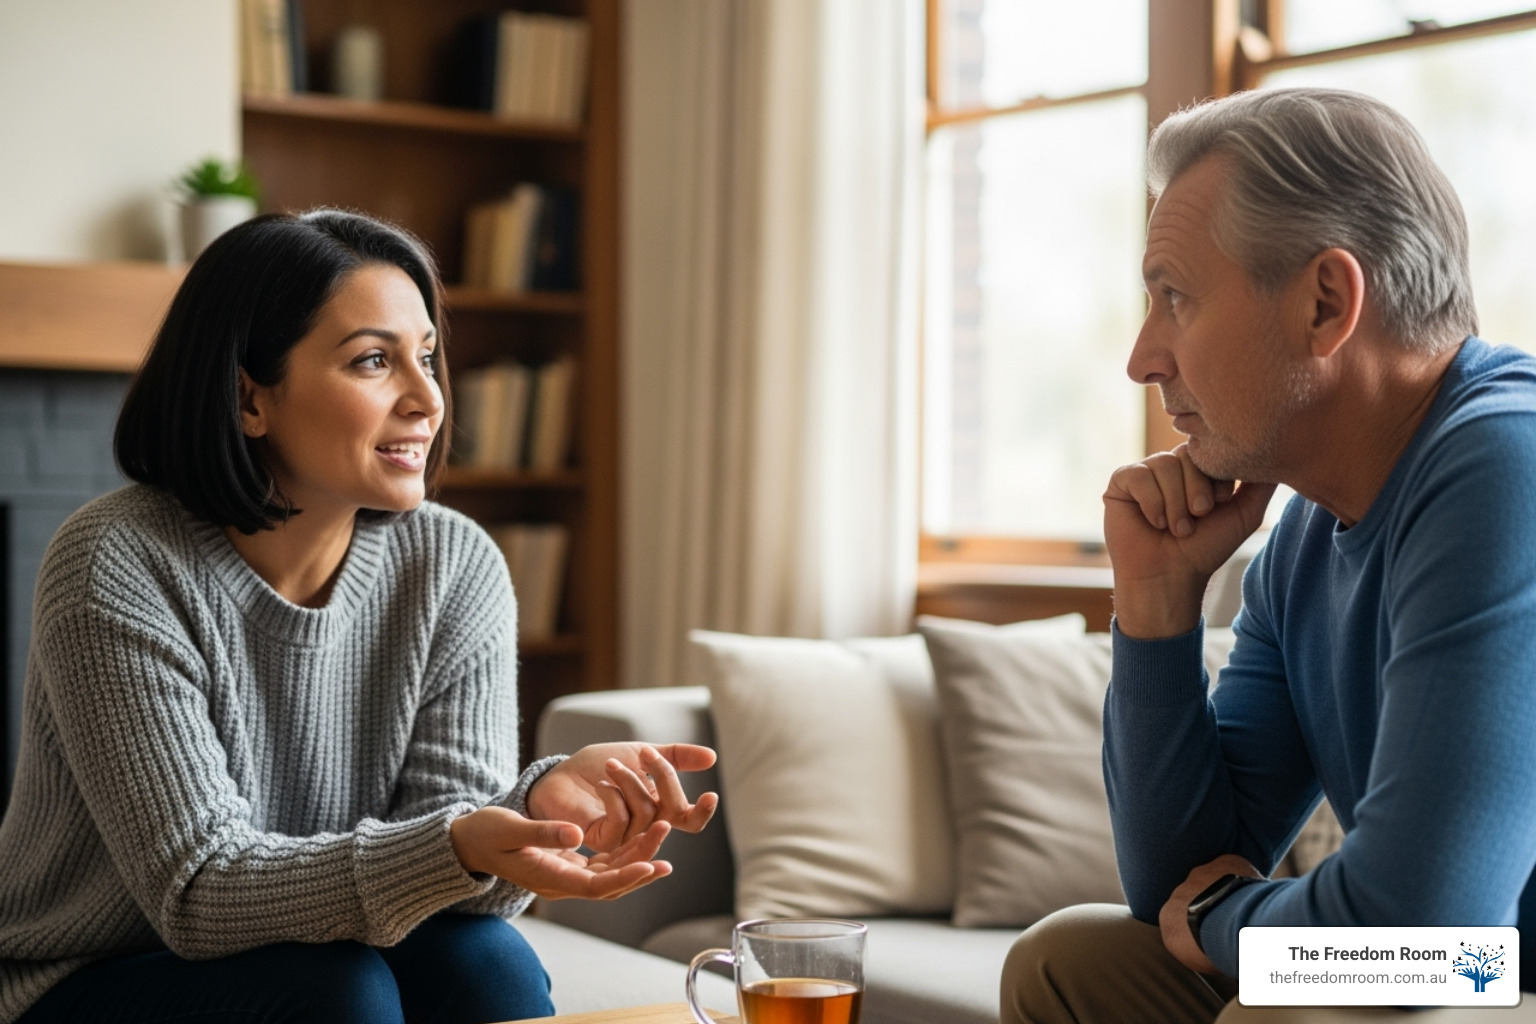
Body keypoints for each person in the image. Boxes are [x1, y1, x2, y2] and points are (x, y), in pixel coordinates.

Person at [0, 209, 719, 1024]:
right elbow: (197, 893)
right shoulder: (116, 559)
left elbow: (458, 894)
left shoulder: (454, 564)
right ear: (248, 399)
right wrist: (457, 845)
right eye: (374, 361)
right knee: (340, 989)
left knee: (486, 962)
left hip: (327, 945)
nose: (426, 399)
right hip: (97, 974)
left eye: (427, 358)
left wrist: (534, 811)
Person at [1002, 88, 1536, 1023]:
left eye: (1176, 298)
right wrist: (1159, 607)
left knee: (1291, 1011)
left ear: (1326, 303)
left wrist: (1226, 914)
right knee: (1066, 963)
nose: (1141, 357)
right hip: (1471, 969)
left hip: (1491, 971)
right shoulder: (1303, 539)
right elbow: (1170, 888)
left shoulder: (1506, 465)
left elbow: (1420, 943)